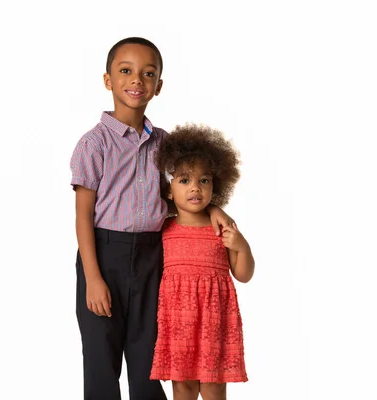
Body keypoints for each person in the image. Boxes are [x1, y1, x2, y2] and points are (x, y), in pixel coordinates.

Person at [70, 37, 235, 400]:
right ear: (108, 79)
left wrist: (214, 209)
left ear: (158, 85)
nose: (137, 81)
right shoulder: (93, 144)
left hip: (154, 257)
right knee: (102, 356)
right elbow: (83, 216)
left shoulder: (165, 144)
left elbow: (185, 195)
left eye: (148, 74)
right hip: (103, 253)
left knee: (149, 354)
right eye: (125, 71)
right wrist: (93, 277)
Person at [150, 123, 255, 400]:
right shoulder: (163, 228)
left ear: (215, 186)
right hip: (177, 322)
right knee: (182, 387)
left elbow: (243, 274)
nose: (195, 188)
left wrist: (242, 246)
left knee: (214, 387)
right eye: (184, 180)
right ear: (169, 190)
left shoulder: (222, 227)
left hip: (214, 323)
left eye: (203, 180)